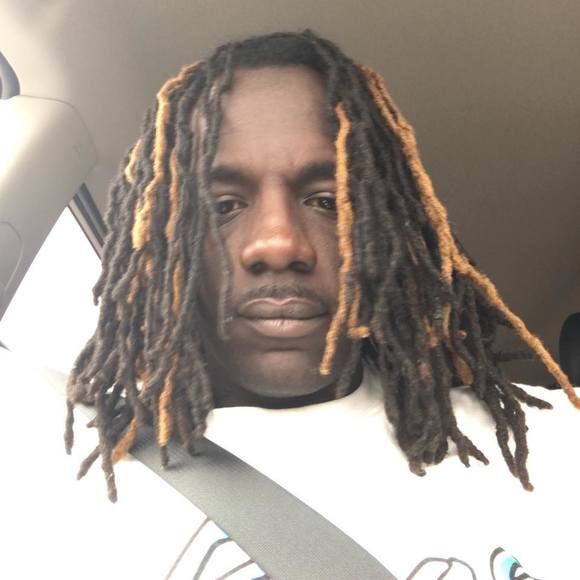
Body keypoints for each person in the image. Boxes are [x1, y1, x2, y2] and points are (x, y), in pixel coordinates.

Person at [63, 31, 580, 578]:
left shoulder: (557, 445)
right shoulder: (64, 482)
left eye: (328, 201)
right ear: (164, 243)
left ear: (387, 235)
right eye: (223, 205)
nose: (278, 243)